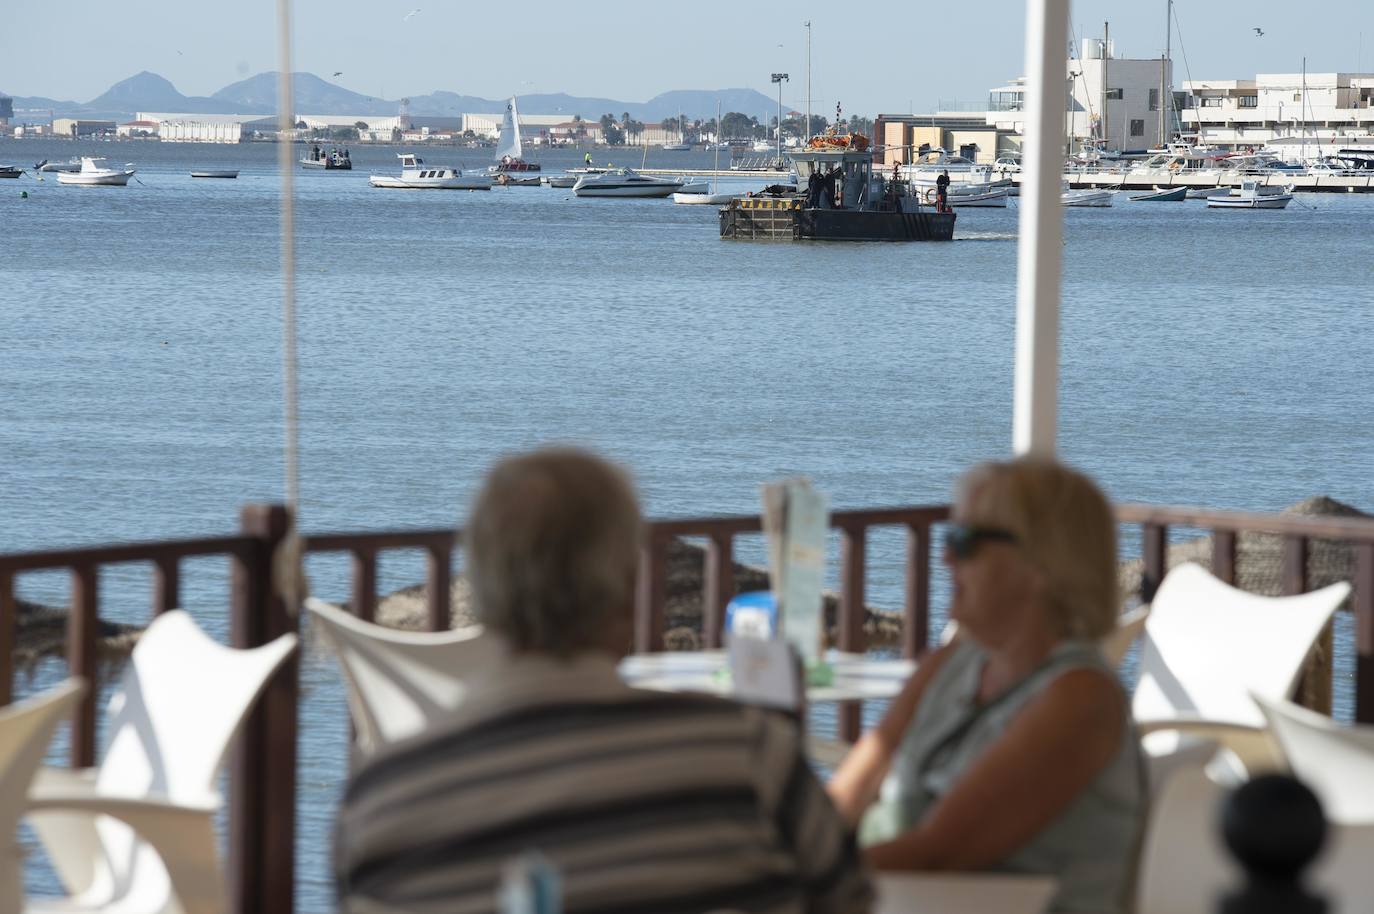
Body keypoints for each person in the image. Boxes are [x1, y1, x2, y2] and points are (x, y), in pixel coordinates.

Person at [335, 447, 872, 914]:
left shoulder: (382, 798)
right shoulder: (750, 756)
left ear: (486, 594)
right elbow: (847, 900)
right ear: (629, 588)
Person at [827, 457, 1144, 914]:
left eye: (966, 541)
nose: (945, 556)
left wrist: (785, 882)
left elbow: (939, 853)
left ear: (1041, 562)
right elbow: (847, 795)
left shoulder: (1079, 698)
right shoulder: (953, 661)